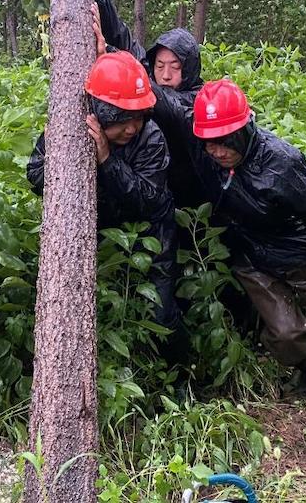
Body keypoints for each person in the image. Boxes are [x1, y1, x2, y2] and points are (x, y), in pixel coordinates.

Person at [150, 77, 306, 395]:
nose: (217, 151)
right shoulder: (205, 148)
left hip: (296, 249)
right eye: (209, 143)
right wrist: (116, 57)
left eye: (225, 141)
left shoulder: (281, 163)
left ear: (245, 129)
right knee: (286, 333)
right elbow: (166, 105)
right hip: (249, 254)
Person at [26, 50, 190, 365]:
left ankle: (182, 375)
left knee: (160, 313)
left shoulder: (151, 138)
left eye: (138, 117)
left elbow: (147, 200)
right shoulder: (70, 129)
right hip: (101, 237)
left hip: (152, 235)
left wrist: (107, 160)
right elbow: (35, 176)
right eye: (124, 120)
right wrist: (60, 157)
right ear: (103, 112)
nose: (132, 128)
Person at [93, 0, 207, 209]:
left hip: (190, 201)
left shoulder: (198, 100)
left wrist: (111, 59)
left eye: (175, 67)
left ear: (190, 68)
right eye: (159, 66)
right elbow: (125, 42)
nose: (166, 75)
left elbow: (167, 103)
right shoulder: (147, 79)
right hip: (147, 184)